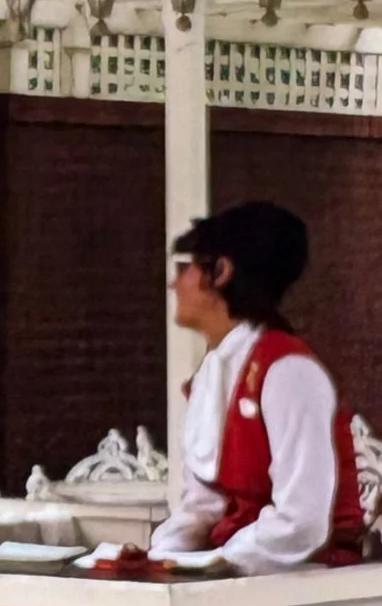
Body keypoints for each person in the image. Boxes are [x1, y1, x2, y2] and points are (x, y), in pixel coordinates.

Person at [150, 199, 366, 573]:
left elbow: (301, 523)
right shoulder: (213, 372)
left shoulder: (289, 370)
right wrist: (161, 556)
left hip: (306, 581)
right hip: (237, 573)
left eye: (185, 268)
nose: (173, 283)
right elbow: (205, 504)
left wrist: (216, 562)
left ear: (221, 271)